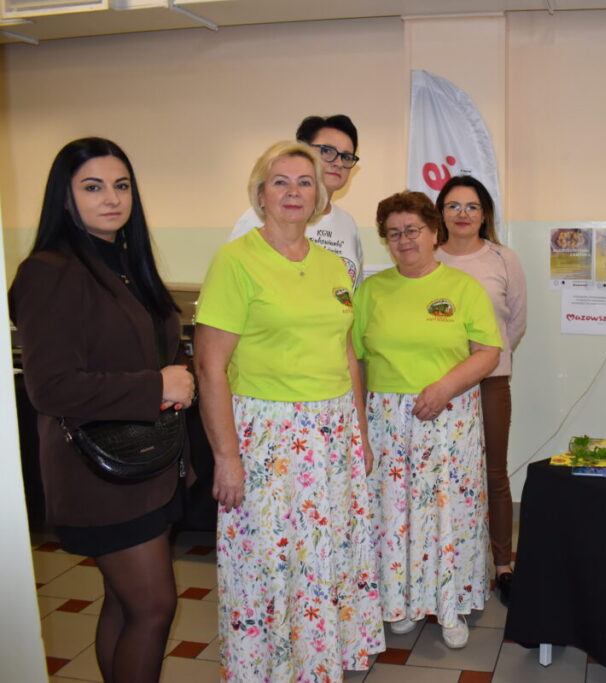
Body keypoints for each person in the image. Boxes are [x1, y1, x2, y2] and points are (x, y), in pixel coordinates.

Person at [194, 141, 383, 680]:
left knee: (327, 556)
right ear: (260, 194)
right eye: (281, 181)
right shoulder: (236, 261)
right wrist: (226, 457)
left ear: (321, 197)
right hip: (268, 436)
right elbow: (210, 369)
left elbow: (347, 353)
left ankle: (319, 660)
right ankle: (270, 667)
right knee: (272, 562)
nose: (294, 191)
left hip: (334, 433)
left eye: (305, 182)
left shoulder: (334, 265)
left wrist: (360, 434)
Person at [9, 137, 195, 682]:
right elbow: (52, 387)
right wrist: (155, 385)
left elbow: (144, 344)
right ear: (64, 198)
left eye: (120, 185)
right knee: (153, 606)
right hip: (98, 473)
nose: (111, 198)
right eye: (92, 187)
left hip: (145, 461)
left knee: (124, 602)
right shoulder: (49, 270)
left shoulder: (125, 263)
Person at [353, 191, 502, 649]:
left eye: (412, 230)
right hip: (386, 420)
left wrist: (442, 389)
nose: (404, 240)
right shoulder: (370, 292)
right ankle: (398, 601)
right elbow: (354, 361)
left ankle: (449, 603)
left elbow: (488, 353)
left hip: (448, 416)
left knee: (444, 514)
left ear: (433, 232)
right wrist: (360, 426)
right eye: (393, 233)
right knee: (394, 514)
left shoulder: (463, 289)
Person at [434, 175, 526, 606]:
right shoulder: (429, 259)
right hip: (441, 385)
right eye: (453, 206)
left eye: (471, 206)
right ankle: (445, 561)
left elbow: (515, 323)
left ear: (485, 213)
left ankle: (502, 565)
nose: (463, 214)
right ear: (440, 213)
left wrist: (489, 359)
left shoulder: (503, 258)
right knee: (445, 477)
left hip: (490, 381)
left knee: (494, 472)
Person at [230, 115, 364, 285]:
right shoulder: (259, 217)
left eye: (346, 156)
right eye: (327, 151)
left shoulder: (347, 224)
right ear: (302, 152)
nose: (338, 162)